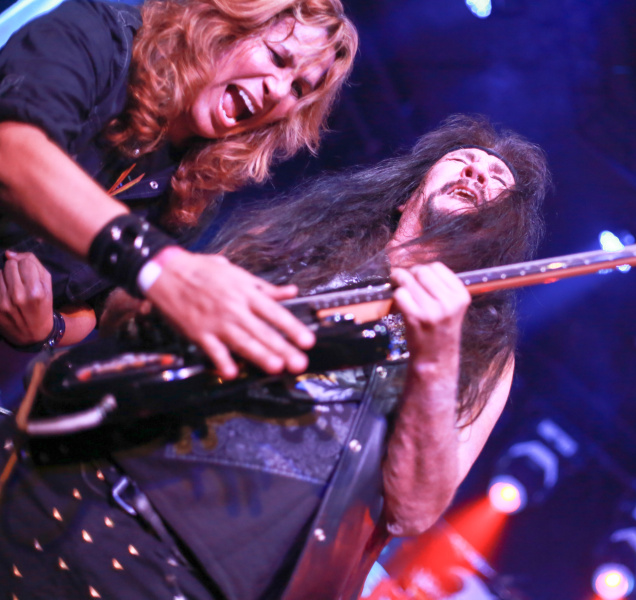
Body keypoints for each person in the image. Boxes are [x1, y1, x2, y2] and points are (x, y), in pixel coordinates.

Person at [0, 114, 549, 599]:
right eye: (463, 160)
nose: (478, 172)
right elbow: (135, 312)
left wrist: (436, 357)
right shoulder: (296, 242)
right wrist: (54, 328)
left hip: (199, 578)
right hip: (83, 478)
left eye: (497, 179)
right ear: (407, 197)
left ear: (497, 237)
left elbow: (413, 510)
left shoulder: (483, 354)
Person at [0, 0, 358, 377]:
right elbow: (12, 153)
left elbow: (101, 307)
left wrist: (49, 329)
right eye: (277, 57)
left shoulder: (198, 187)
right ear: (224, 25)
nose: (278, 89)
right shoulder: (98, 37)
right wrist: (163, 268)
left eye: (299, 89)